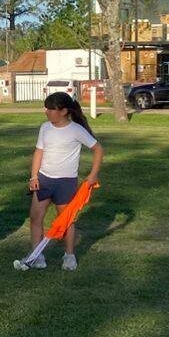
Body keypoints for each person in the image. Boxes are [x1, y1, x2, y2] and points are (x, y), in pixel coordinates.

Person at [15, 91, 103, 272]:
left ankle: (69, 256)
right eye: (46, 108)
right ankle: (36, 256)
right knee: (35, 218)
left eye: (51, 109)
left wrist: (93, 175)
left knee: (66, 221)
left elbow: (98, 149)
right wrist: (34, 177)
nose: (46, 112)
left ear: (63, 111)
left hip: (66, 182)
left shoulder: (76, 130)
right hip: (44, 180)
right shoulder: (45, 128)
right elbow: (39, 152)